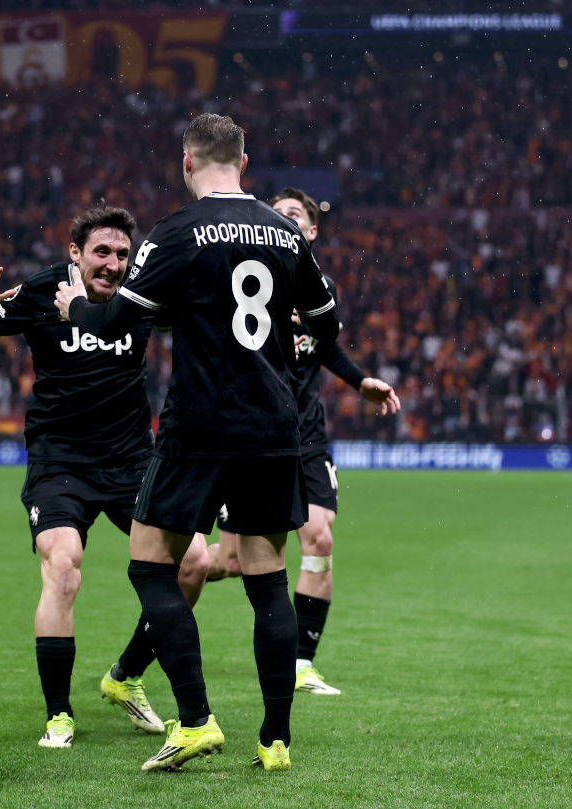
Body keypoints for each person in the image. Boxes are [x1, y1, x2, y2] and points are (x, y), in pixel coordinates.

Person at [55, 114, 341, 772]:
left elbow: (115, 321)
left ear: (187, 162)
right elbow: (326, 325)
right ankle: (274, 740)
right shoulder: (284, 233)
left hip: (200, 426)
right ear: (244, 164)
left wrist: (74, 307)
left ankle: (194, 720)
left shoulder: (176, 232)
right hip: (273, 427)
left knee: (150, 564)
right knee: (267, 581)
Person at [0, 204, 210, 750]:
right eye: (102, 252)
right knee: (62, 567)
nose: (113, 264)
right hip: (60, 463)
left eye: (122, 254)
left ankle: (125, 675)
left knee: (195, 561)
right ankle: (59, 712)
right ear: (75, 253)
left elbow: (203, 317)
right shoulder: (40, 291)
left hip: (132, 462)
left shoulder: (141, 293)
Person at [208, 189, 400, 696]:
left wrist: (359, 381)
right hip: (251, 433)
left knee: (320, 538)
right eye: (278, 213)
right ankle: (173, 580)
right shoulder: (244, 273)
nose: (285, 219)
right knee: (229, 561)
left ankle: (300, 663)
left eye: (295, 215)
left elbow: (324, 344)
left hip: (305, 435)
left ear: (312, 232)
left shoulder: (320, 287)